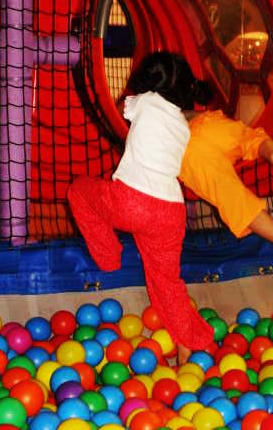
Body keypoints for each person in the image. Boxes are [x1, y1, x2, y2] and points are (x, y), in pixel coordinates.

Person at [67, 51, 214, 364]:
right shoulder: (182, 124)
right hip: (172, 211)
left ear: (149, 83)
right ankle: (189, 342)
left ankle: (108, 256)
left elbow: (120, 108)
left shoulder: (145, 101)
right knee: (166, 282)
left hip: (132, 201)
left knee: (79, 191)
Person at [179, 80, 273, 277]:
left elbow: (121, 122)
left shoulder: (146, 106)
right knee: (250, 138)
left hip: (187, 145)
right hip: (209, 123)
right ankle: (271, 153)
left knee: (229, 193)